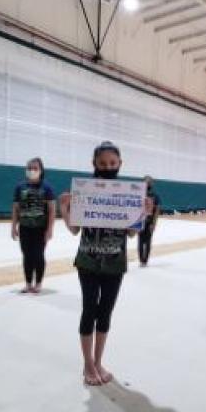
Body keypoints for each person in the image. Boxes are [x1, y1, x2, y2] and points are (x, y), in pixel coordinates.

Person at [59, 141, 145, 386]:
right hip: (88, 260)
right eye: (102, 163)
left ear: (119, 165)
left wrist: (143, 214)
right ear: (94, 164)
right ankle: (87, 364)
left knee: (105, 312)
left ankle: (98, 362)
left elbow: (130, 234)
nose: (108, 167)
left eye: (112, 163)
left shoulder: (128, 193)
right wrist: (65, 208)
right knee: (89, 310)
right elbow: (75, 229)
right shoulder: (84, 191)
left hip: (115, 263)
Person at [11, 157, 55, 294]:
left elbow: (52, 210)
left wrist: (49, 229)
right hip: (25, 228)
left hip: (40, 228)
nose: (32, 171)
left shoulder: (47, 188)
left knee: (38, 255)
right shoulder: (20, 187)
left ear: (41, 170)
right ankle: (28, 283)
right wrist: (13, 226)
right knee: (27, 256)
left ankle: (39, 283)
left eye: (35, 168)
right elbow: (16, 208)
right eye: (29, 168)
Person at [138, 175, 161, 267]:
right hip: (140, 221)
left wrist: (154, 223)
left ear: (152, 183)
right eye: (146, 181)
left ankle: (145, 260)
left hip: (149, 221)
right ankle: (141, 260)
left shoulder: (155, 196)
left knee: (147, 241)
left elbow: (157, 210)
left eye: (149, 182)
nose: (147, 183)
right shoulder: (139, 194)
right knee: (140, 241)